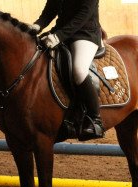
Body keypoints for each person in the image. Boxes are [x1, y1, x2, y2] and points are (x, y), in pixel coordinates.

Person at [30, 0, 104, 139]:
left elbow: (84, 15)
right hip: (60, 33)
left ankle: (95, 119)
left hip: (85, 33)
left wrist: (59, 36)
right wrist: (38, 25)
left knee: (79, 70)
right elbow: (50, 9)